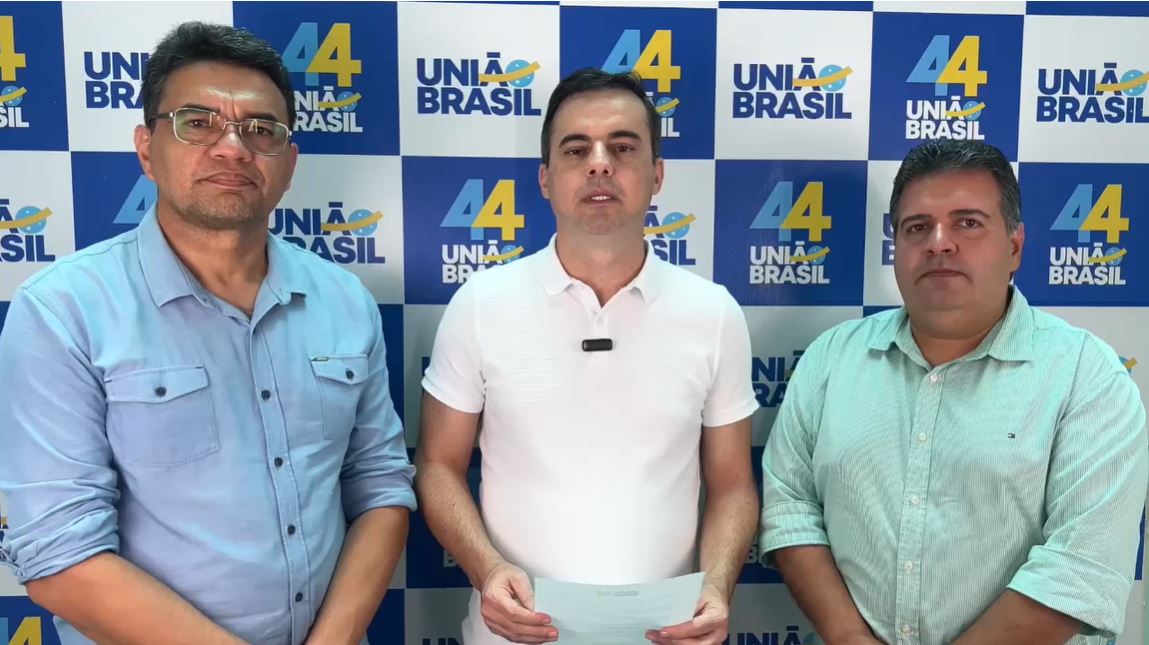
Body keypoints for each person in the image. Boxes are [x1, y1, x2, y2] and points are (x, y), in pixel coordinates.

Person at [0, 22, 414, 645]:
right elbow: (58, 554)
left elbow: (380, 484)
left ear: (289, 162)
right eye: (198, 123)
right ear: (147, 149)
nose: (233, 149)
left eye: (261, 129)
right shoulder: (63, 310)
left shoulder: (344, 300)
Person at [415, 68, 760, 645]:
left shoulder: (714, 313)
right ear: (546, 179)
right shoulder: (479, 305)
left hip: (665, 635)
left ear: (657, 174)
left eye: (622, 147)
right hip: (515, 636)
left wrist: (718, 585)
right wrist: (487, 569)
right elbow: (437, 466)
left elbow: (732, 485)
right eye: (576, 150)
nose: (600, 164)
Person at [760, 139, 1148, 644]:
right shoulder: (831, 358)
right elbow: (790, 507)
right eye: (917, 227)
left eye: (968, 222)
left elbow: (1078, 570)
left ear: (1015, 246)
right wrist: (850, 637)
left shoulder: (1086, 375)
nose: (939, 243)